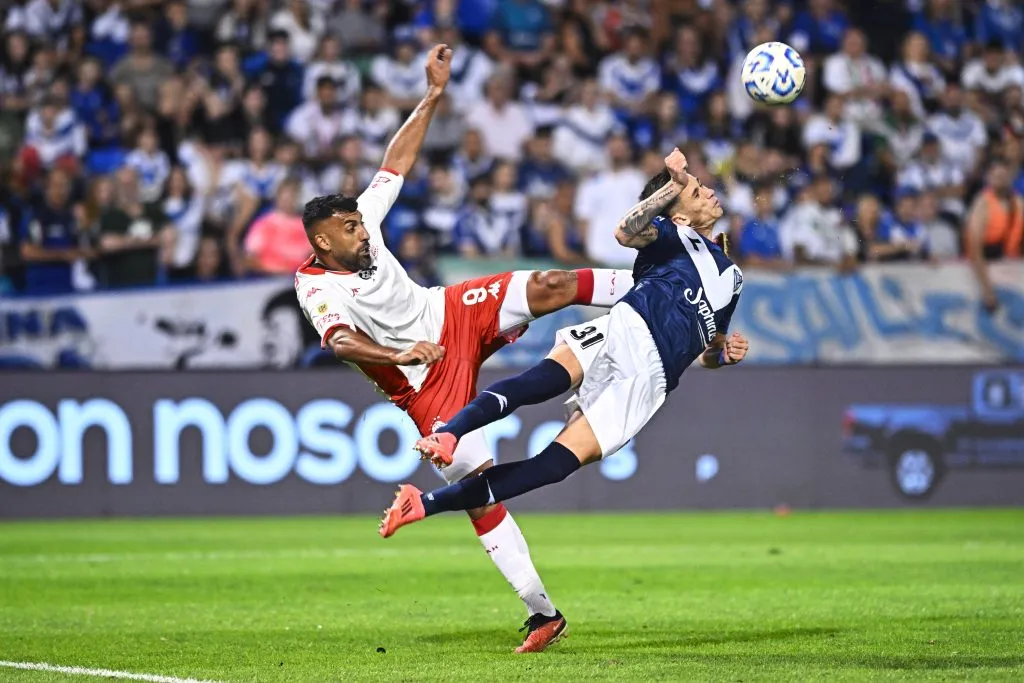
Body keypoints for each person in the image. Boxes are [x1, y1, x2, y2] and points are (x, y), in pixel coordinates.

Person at [294, 44, 635, 654]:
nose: (363, 232)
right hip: (422, 383)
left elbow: (392, 166)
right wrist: (400, 356)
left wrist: (431, 96)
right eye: (349, 230)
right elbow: (340, 341)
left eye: (360, 223)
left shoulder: (362, 224)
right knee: (482, 492)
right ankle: (543, 614)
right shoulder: (314, 284)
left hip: (446, 310)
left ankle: (649, 285)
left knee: (550, 284)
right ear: (321, 241)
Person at [381, 149, 749, 604]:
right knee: (545, 379)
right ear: (679, 211)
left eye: (699, 186)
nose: (708, 190)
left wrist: (723, 354)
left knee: (554, 466)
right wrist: (673, 185)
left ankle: (424, 503)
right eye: (697, 190)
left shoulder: (732, 277)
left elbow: (706, 351)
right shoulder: (670, 236)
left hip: (650, 380)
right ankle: (451, 433)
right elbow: (624, 231)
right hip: (627, 326)